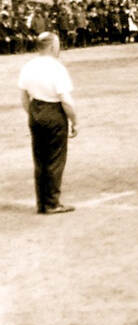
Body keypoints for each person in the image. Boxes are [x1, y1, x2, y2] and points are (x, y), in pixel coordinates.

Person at [18, 32, 78, 214]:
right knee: (55, 159)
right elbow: (65, 99)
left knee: (40, 159)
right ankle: (52, 202)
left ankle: (42, 202)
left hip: (35, 109)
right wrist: (74, 121)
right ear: (52, 46)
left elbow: (23, 96)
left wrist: (34, 114)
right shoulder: (57, 68)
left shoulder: (28, 66)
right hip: (54, 111)